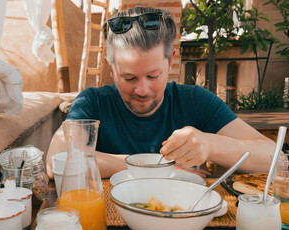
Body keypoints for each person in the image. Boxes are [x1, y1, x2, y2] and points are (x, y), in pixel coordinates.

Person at [46, 6, 275, 179]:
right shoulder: (93, 102)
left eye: (153, 76)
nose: (143, 90)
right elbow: (55, 162)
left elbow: (274, 157)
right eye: (129, 78)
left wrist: (210, 144)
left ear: (171, 61)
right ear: (109, 67)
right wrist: (155, 166)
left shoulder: (195, 101)